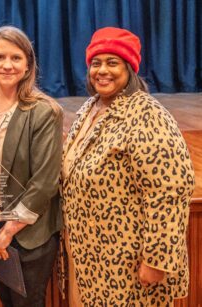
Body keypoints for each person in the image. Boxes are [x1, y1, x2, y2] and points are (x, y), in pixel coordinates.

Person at [60, 26, 195, 306]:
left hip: (129, 260)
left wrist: (156, 260)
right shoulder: (91, 108)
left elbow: (169, 190)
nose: (102, 71)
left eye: (113, 63)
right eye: (96, 63)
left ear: (130, 69)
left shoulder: (148, 115)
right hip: (93, 254)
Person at [0, 26, 63, 307]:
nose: (7, 65)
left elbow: (44, 182)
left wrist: (8, 230)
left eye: (16, 58)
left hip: (26, 232)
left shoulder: (44, 110)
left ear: (28, 64)